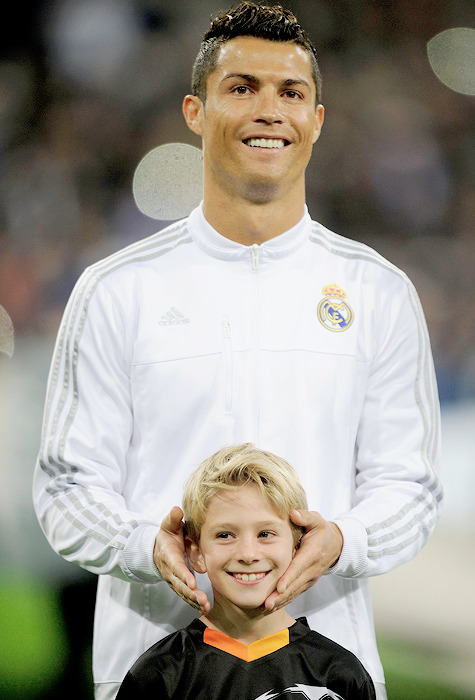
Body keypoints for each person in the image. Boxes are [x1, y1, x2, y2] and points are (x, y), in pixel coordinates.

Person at [33, 3, 443, 699]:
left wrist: (341, 540)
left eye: (291, 93)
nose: (269, 110)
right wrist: (144, 546)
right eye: (241, 87)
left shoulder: (377, 292)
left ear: (317, 118)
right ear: (195, 111)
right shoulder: (117, 290)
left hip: (325, 676)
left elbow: (412, 487)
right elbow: (67, 486)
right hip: (150, 671)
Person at [116, 443, 376, 699]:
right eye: (225, 535)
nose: (248, 555)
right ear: (195, 552)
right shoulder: (159, 675)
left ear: (298, 547)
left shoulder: (340, 675)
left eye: (265, 533)